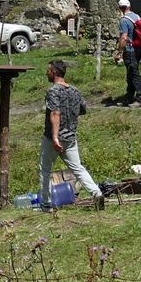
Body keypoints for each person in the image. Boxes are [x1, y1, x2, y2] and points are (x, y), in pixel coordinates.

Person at [39, 60, 103, 208]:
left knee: (45, 170)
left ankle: (46, 203)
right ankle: (97, 193)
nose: (46, 73)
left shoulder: (53, 91)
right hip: (70, 137)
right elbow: (83, 110)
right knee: (78, 168)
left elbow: (55, 113)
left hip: (53, 138)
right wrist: (70, 116)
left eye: (48, 70)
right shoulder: (75, 90)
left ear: (54, 73)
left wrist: (55, 137)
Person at [115, 0, 141, 107]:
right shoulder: (136, 16)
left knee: (134, 74)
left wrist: (119, 52)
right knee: (130, 75)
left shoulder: (124, 20)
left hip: (130, 50)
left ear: (120, 8)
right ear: (129, 7)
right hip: (137, 49)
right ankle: (129, 98)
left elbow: (124, 37)